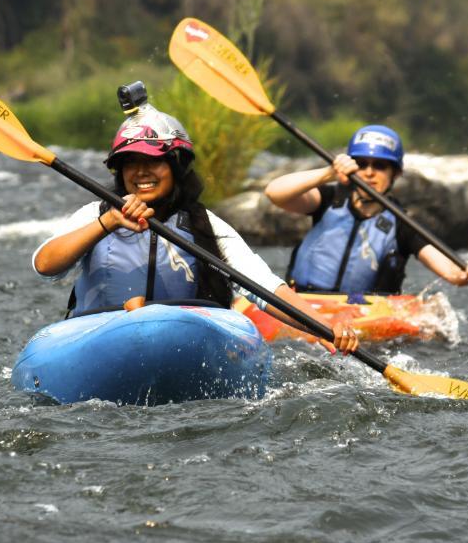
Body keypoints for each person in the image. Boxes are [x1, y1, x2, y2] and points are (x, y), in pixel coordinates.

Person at [31, 93, 359, 354]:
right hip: (98, 339)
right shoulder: (95, 215)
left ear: (176, 166)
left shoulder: (206, 225)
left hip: (185, 343)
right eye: (130, 163)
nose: (141, 172)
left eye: (154, 161)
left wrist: (325, 327)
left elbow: (266, 288)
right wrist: (108, 223)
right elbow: (45, 266)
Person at [264, 124, 468, 295]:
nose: (369, 172)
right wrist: (328, 173)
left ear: (396, 174)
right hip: (306, 302)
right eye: (361, 164)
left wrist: (467, 273)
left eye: (380, 166)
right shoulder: (329, 199)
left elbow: (450, 272)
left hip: (363, 314)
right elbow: (275, 193)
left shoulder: (403, 224)